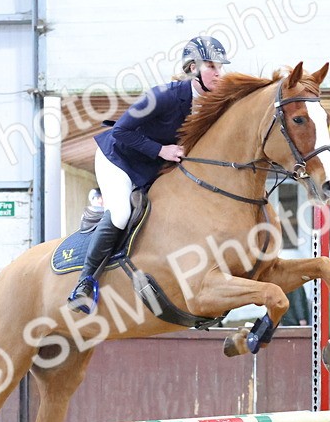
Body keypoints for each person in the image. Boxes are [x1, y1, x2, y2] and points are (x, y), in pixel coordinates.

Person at [67, 35, 230, 314]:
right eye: (211, 66)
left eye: (220, 67)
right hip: (117, 158)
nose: (218, 73)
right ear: (193, 69)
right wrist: (161, 150)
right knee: (120, 214)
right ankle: (84, 283)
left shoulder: (214, 104)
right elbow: (120, 131)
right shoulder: (162, 96)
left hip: (152, 165)